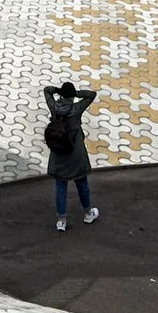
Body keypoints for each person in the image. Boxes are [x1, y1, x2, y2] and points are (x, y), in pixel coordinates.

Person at [43, 80, 99, 231]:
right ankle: (88, 213)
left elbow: (47, 90)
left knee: (60, 186)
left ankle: (61, 221)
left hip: (59, 154)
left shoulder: (54, 107)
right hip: (76, 154)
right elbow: (91, 95)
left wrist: (57, 90)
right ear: (72, 96)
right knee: (81, 183)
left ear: (61, 95)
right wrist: (76, 93)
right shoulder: (76, 109)